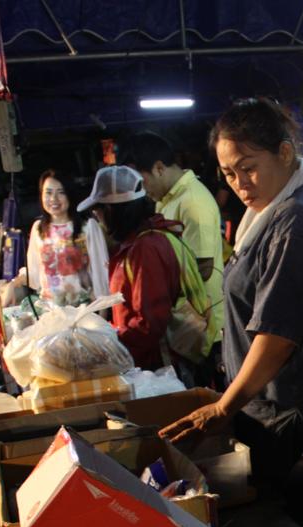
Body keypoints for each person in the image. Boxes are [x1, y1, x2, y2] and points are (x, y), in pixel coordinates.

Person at [161, 97, 303, 482]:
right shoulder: (271, 209)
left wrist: (223, 408)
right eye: (229, 174)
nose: (240, 184)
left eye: (249, 168)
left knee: (301, 525)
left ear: (284, 153)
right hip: (282, 404)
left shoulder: (297, 222)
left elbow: (278, 337)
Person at [124, 132, 226, 361]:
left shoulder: (193, 202)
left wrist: (156, 284)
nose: (141, 190)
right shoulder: (166, 199)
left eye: (141, 181)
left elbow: (204, 267)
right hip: (186, 324)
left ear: (159, 168)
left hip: (204, 327)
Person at [79, 165, 181, 371]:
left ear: (110, 210)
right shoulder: (134, 245)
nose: (96, 217)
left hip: (156, 368)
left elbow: (149, 324)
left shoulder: (146, 248)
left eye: (96, 210)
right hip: (141, 362)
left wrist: (108, 347)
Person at [26, 169, 111, 307]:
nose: (53, 199)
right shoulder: (38, 229)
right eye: (48, 193)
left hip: (83, 309)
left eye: (61, 192)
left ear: (70, 195)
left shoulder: (88, 227)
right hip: (50, 310)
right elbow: (34, 274)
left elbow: (101, 272)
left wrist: (102, 312)